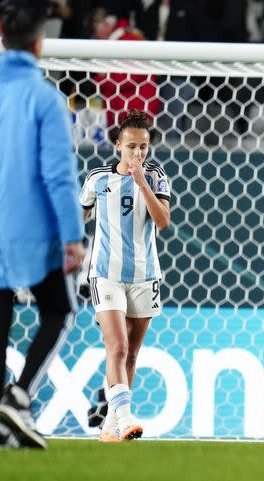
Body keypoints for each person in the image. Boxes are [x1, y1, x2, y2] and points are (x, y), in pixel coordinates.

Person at [0, 0, 85, 449]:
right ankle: (20, 396)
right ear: (40, 42)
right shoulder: (44, 97)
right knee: (60, 311)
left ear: (0, 37)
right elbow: (58, 175)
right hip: (33, 233)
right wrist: (73, 237)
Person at [80, 110, 171, 442]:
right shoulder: (98, 179)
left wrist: (142, 183)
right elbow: (81, 213)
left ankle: (110, 424)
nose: (138, 153)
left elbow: (162, 221)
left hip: (145, 276)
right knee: (116, 347)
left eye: (144, 147)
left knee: (131, 353)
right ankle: (126, 417)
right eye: (132, 146)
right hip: (106, 274)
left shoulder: (156, 177)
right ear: (117, 145)